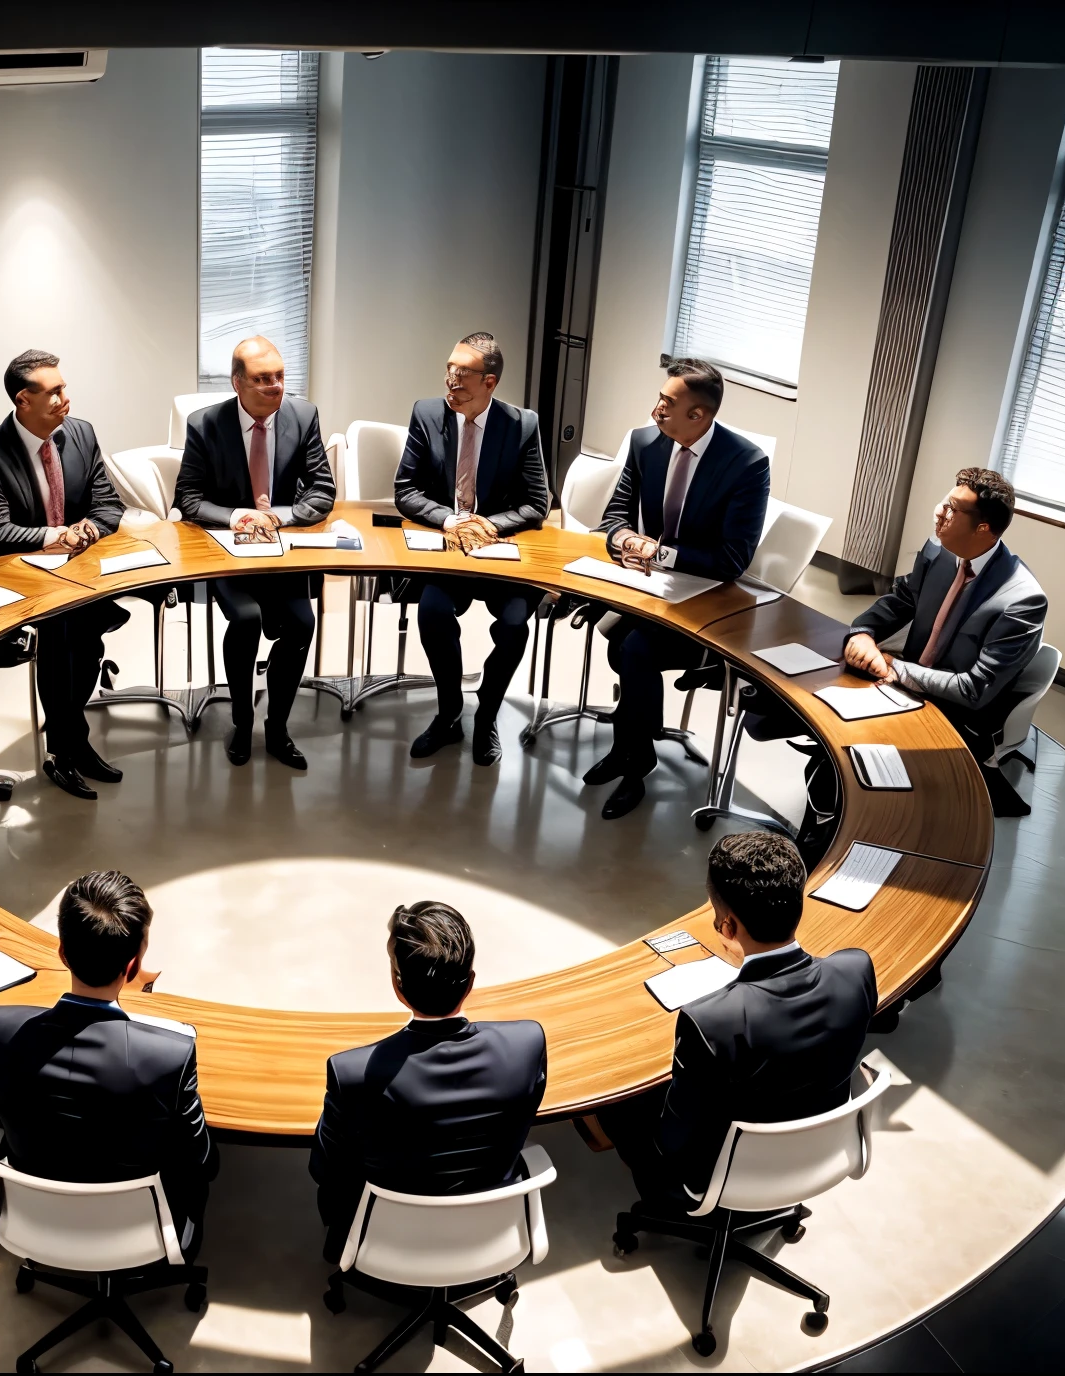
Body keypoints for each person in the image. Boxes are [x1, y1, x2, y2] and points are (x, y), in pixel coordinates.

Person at [597, 832, 875, 1209]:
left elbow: (671, 1140)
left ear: (728, 927)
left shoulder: (710, 1022)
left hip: (717, 1179)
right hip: (821, 1149)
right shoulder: (856, 970)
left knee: (617, 1098)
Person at [0, 871, 218, 1254]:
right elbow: (201, 1160)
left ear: (62, 953)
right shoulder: (170, 1055)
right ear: (134, 968)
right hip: (137, 1233)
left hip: (33, 1219)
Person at [309, 901, 548, 1263]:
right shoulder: (527, 1045)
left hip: (386, 1241)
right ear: (470, 982)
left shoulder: (352, 1073)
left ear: (396, 985)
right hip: (489, 1237)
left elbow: (324, 1169)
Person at [585, 359, 771, 820]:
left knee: (635, 651)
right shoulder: (645, 443)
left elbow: (732, 560)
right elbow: (613, 519)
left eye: (668, 403)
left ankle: (635, 763)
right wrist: (627, 539)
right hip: (650, 591)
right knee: (620, 646)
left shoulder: (746, 464)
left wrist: (660, 553)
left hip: (708, 604)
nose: (655, 410)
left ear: (699, 416)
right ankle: (632, 746)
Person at [0, 349, 132, 801]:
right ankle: (66, 747)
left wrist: (88, 530)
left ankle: (71, 740)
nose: (66, 398)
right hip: (23, 578)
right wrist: (55, 536)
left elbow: (108, 504)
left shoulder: (80, 434)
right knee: (63, 641)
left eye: (64, 387)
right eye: (54, 391)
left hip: (78, 571)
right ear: (23, 400)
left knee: (87, 641)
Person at [173, 335, 335, 770]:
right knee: (245, 619)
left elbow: (323, 492)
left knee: (302, 622)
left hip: (282, 550)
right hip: (229, 551)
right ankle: (242, 723)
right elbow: (189, 498)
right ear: (237, 383)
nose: (276, 386)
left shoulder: (303, 416)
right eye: (263, 379)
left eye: (280, 376)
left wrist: (279, 516)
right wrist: (238, 517)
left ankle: (278, 728)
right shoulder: (206, 423)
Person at [394, 332, 552, 767]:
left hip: (499, 549)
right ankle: (448, 714)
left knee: (516, 623)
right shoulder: (427, 414)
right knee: (433, 611)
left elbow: (538, 503)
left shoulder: (522, 424)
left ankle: (487, 714)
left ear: (490, 382)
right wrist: (451, 520)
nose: (452, 381)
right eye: (449, 369)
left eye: (463, 374)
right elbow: (405, 491)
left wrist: (489, 525)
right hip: (448, 546)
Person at [843, 466, 1047, 767]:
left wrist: (897, 669)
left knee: (855, 752)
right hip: (901, 687)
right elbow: (903, 599)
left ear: (983, 528)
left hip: (955, 715)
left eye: (953, 509)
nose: (940, 513)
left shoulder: (1022, 600)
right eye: (945, 502)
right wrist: (863, 632)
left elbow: (974, 689)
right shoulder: (937, 550)